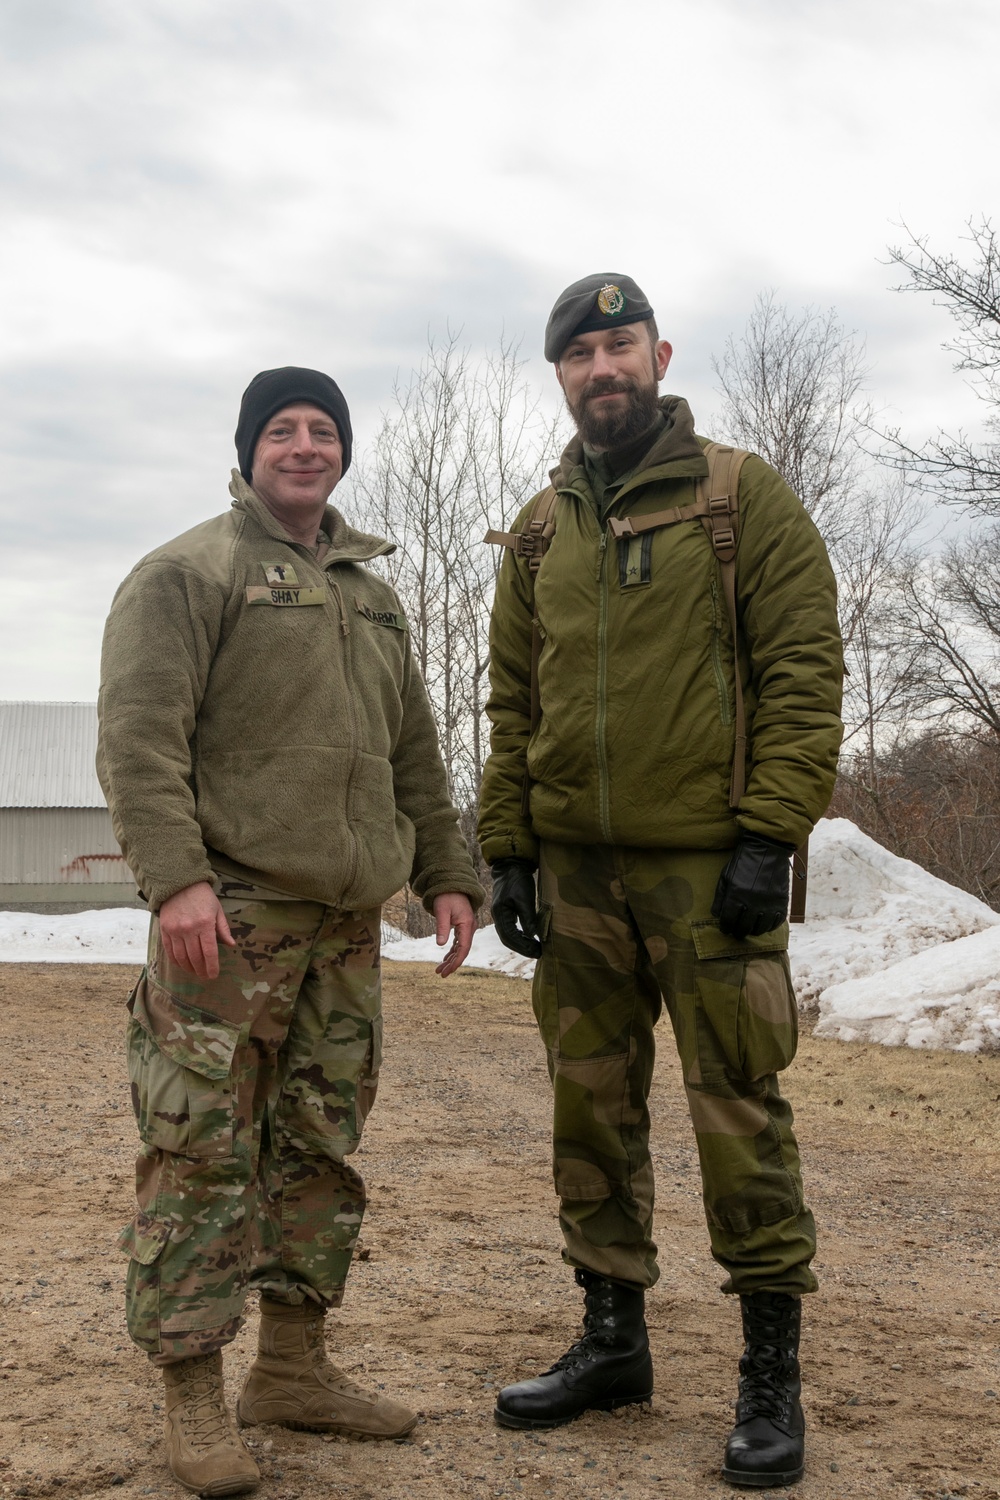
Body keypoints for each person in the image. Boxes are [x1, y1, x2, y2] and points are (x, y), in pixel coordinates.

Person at [477, 275, 842, 1488]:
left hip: (707, 875)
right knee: (591, 1111)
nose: (601, 366)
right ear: (561, 376)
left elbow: (802, 671)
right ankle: (612, 1340)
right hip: (577, 879)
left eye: (618, 343)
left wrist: (765, 836)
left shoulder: (740, 499)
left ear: (659, 353)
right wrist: (510, 849)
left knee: (737, 1112)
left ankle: (768, 1374)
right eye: (578, 352)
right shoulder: (537, 532)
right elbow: (509, 706)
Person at [98, 366, 484, 1496]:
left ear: (344, 451)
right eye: (283, 429)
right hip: (229, 918)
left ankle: (293, 1369)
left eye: (324, 430)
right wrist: (175, 882)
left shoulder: (371, 590)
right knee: (200, 1148)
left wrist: (447, 869)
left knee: (317, 1146)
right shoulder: (188, 572)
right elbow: (139, 741)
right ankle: (191, 1397)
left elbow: (414, 747)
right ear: (249, 448)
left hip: (344, 924)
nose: (305, 446)